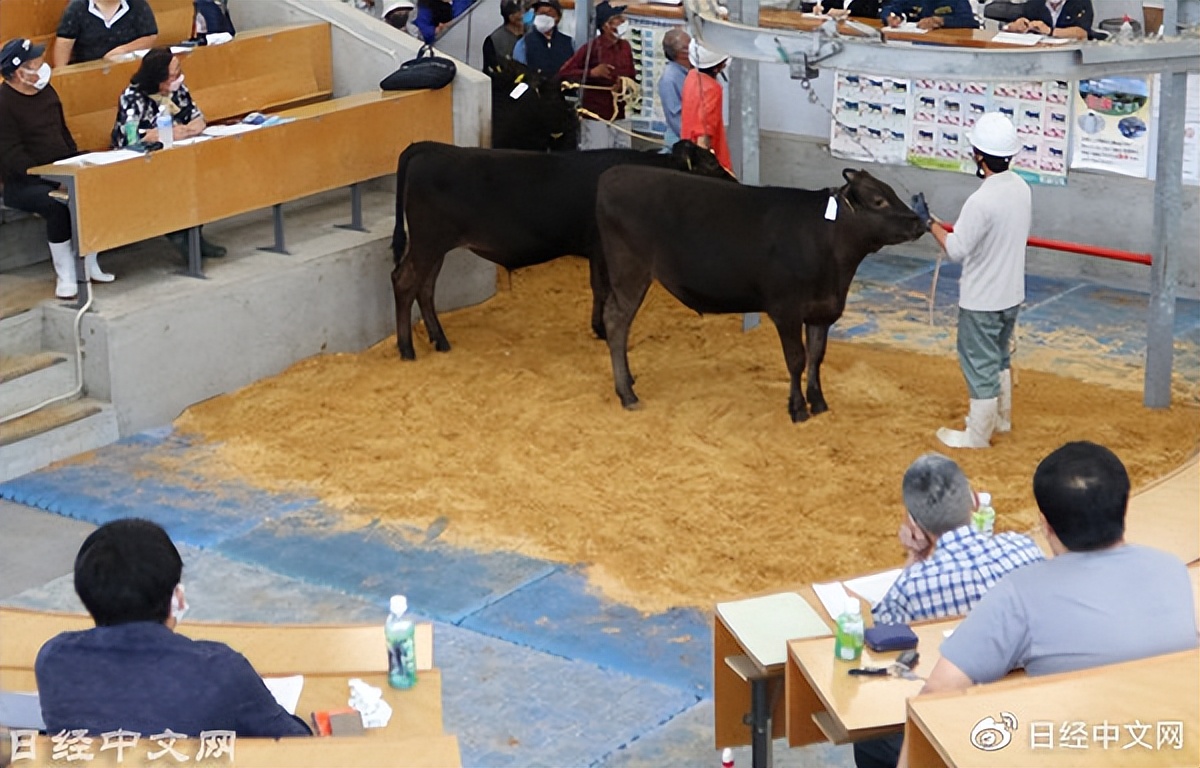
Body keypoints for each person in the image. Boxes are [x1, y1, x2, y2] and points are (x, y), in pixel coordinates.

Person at [889, 441, 1200, 768]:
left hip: (1078, 751)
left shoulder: (1020, 592)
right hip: (1173, 748)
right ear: (1123, 508)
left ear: (1046, 525)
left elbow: (937, 696)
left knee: (879, 747)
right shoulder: (1172, 570)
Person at [35, 518, 314, 738]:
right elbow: (293, 745)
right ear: (176, 599)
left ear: (87, 599)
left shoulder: (54, 660)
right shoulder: (220, 670)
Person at [912, 112, 1028, 449]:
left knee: (979, 364)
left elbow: (957, 249)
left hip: (983, 300)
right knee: (999, 356)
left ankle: (977, 436)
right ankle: (1001, 421)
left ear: (978, 155)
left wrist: (928, 222)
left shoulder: (981, 200)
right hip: (1011, 293)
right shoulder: (1020, 187)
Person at [871, 452, 1044, 627]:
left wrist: (916, 557)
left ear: (915, 524)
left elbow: (881, 629)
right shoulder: (1024, 549)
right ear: (973, 500)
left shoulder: (912, 587)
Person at [0, 38, 114, 299]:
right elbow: (12, 158)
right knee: (57, 205)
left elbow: (62, 132)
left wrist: (75, 164)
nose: (41, 67)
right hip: (26, 182)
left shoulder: (47, 91)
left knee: (99, 182)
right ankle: (66, 274)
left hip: (62, 167)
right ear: (18, 73)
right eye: (34, 64)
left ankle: (89, 262)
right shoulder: (3, 104)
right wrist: (55, 178)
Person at [110, 48, 224, 259]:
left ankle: (196, 236)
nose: (178, 78)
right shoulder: (132, 97)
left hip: (175, 153)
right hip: (140, 160)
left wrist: (190, 128)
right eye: (172, 75)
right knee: (172, 179)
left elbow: (197, 117)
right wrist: (165, 133)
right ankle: (179, 236)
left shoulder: (177, 90)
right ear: (157, 78)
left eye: (178, 71)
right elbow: (132, 137)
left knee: (199, 173)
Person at [557, 1, 636, 150]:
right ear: (606, 25)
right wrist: (591, 73)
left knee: (623, 157)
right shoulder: (591, 49)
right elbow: (564, 73)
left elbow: (632, 75)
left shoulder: (625, 47)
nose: (623, 21)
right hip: (596, 116)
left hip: (621, 114)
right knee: (597, 156)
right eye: (618, 18)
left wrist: (623, 84)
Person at [53, 0, 159, 66]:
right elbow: (63, 45)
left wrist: (123, 50)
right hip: (89, 71)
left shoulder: (137, 4)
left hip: (127, 68)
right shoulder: (77, 7)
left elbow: (150, 36)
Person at [680, 39, 731, 173]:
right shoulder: (712, 89)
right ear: (718, 66)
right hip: (706, 162)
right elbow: (703, 137)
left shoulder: (691, 77)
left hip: (687, 153)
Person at [513, 0, 574, 78]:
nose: (544, 17)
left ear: (558, 17)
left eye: (549, 14)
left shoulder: (569, 43)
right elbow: (519, 75)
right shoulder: (523, 44)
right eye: (541, 13)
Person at [656, 27, 689, 149]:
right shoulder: (669, 79)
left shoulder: (692, 70)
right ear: (682, 53)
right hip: (681, 141)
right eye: (689, 44)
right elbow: (675, 118)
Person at [1004, 0, 1095, 40]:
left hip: (1071, 54)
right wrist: (1014, 27)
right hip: (1041, 53)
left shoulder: (1081, 2)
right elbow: (1017, 22)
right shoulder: (1035, 3)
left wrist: (1049, 31)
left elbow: (1082, 33)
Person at [484, 0, 526, 74]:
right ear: (511, 17)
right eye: (519, 12)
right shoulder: (494, 40)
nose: (523, 15)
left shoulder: (533, 34)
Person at [881, 0, 977, 29]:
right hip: (912, 43)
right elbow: (888, 7)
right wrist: (889, 17)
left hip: (945, 46)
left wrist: (941, 21)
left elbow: (970, 22)